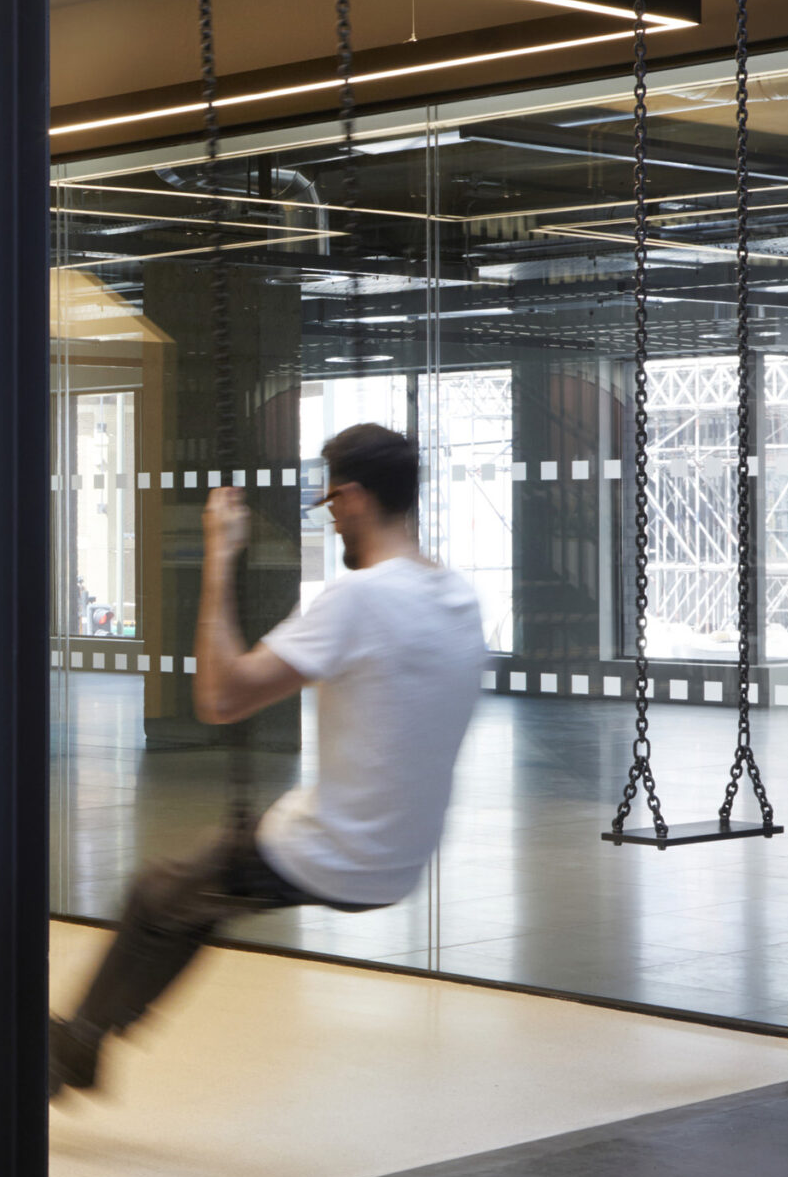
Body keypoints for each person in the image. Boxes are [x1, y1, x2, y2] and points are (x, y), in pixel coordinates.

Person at [49, 422, 484, 1093]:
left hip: (333, 850)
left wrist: (220, 554)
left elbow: (219, 697)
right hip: (402, 857)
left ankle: (74, 1048)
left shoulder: (359, 597)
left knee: (155, 895)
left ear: (353, 499)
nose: (332, 521)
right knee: (191, 898)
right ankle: (86, 1042)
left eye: (332, 505)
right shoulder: (457, 595)